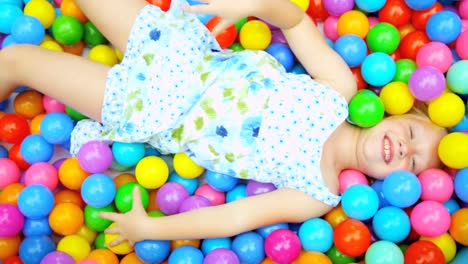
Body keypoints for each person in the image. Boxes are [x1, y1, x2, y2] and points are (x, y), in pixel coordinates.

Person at [0, 0, 446, 246]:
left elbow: (234, 217)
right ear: (397, 112)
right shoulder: (338, 90)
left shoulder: (317, 190)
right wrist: (255, 5)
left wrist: (152, 229)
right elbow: (297, 24)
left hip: (151, 107)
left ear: (394, 189)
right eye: (412, 134)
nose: (404, 149)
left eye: (412, 164)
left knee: (16, 58)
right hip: (181, 49)